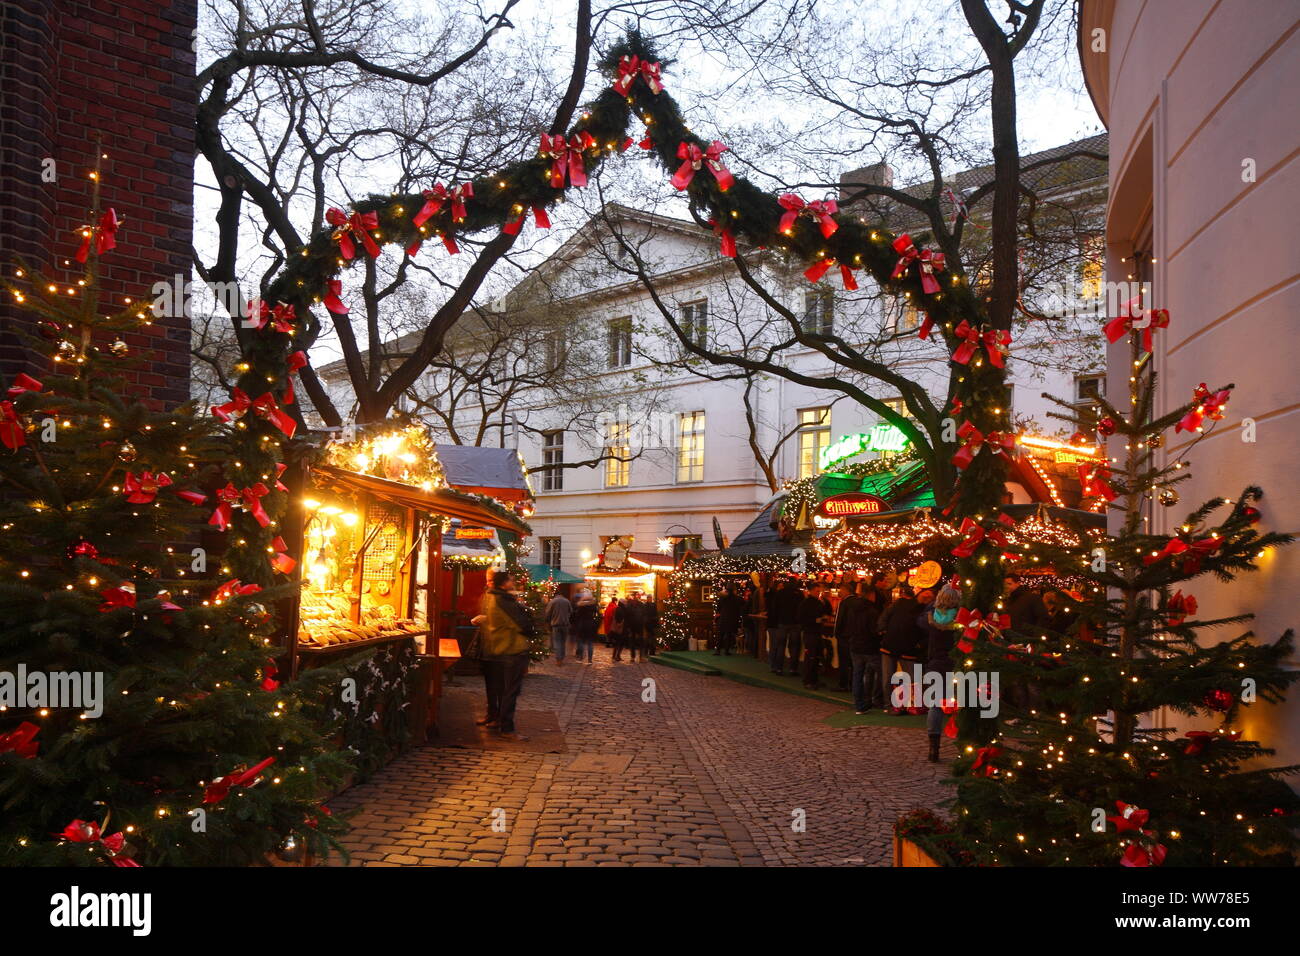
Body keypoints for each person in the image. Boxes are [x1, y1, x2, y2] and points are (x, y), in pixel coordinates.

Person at [478, 570, 535, 741]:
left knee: (502, 689)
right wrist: (529, 624)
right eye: (510, 580)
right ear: (503, 584)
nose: (513, 582)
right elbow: (522, 624)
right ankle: (507, 728)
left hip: (498, 649)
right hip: (511, 649)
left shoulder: (491, 597)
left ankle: (499, 722)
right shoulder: (503, 600)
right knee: (510, 691)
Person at [921, 584, 962, 762]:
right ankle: (963, 746)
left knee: (935, 705)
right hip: (957, 664)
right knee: (962, 705)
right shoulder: (963, 620)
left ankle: (933, 748)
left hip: (936, 663)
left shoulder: (930, 618)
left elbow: (920, 618)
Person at [836, 582, 882, 713]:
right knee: (882, 673)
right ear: (871, 595)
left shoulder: (851, 608)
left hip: (855, 645)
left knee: (858, 675)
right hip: (870, 647)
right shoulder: (872, 611)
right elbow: (874, 631)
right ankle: (879, 700)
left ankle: (859, 704)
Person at [878, 583, 923, 713]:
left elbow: (883, 618)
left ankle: (892, 705)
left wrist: (883, 631)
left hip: (892, 645)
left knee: (889, 677)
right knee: (912, 678)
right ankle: (911, 704)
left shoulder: (897, 604)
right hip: (906, 647)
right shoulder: (917, 607)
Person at [797, 582, 832, 689]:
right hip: (809, 632)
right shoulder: (805, 603)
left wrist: (825, 601)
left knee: (817, 657)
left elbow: (827, 611)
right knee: (810, 657)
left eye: (819, 591)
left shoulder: (819, 602)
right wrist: (816, 620)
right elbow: (801, 618)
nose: (818, 593)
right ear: (811, 591)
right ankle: (807, 681)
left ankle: (814, 679)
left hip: (817, 632)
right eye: (817, 591)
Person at [766, 578, 799, 676]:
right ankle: (793, 669)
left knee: (781, 646)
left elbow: (775, 607)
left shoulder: (780, 593)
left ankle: (779, 668)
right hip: (795, 623)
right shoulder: (798, 594)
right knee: (794, 647)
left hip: (782, 623)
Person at [543, 587, 572, 665]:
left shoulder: (552, 602)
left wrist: (547, 621)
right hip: (565, 624)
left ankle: (559, 659)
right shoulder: (567, 601)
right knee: (563, 642)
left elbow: (547, 613)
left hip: (555, 624)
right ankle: (562, 657)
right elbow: (571, 612)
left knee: (557, 642)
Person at [714, 585, 744, 656]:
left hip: (722, 619)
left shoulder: (723, 598)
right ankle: (726, 651)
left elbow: (718, 608)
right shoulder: (737, 598)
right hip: (732, 619)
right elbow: (743, 603)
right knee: (728, 635)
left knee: (720, 635)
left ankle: (718, 651)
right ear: (733, 590)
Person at [572, 588, 599, 664]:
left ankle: (580, 657)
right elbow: (597, 615)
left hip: (582, 624)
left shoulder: (580, 606)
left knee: (581, 641)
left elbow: (576, 616)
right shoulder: (594, 605)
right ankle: (590, 660)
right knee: (590, 642)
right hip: (591, 624)